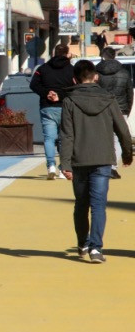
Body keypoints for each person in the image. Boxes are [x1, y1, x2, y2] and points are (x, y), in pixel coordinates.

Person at [60, 60, 132, 263]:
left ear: (75, 79)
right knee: (99, 205)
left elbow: (67, 135)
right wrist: (127, 154)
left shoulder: (69, 101)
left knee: (81, 204)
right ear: (96, 77)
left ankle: (83, 242)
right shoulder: (109, 99)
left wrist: (64, 164)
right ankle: (96, 248)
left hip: (78, 159)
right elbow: (123, 130)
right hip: (102, 159)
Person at [30, 43, 74, 180]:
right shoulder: (72, 70)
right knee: (64, 139)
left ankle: (51, 166)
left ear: (54, 53)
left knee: (49, 138)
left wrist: (47, 93)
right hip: (65, 107)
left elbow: (33, 84)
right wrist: (60, 96)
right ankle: (63, 168)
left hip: (47, 107)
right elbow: (75, 88)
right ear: (67, 54)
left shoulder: (43, 69)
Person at [96, 47, 133, 179]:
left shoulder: (96, 73)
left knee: (104, 137)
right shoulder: (124, 72)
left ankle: (103, 164)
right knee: (118, 137)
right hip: (120, 108)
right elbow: (129, 93)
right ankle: (113, 167)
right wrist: (127, 109)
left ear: (102, 56)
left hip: (102, 109)